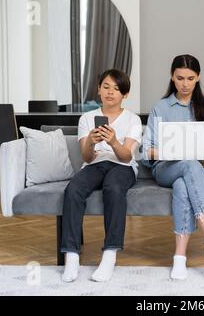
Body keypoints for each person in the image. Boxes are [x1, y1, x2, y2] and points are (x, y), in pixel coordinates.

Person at [142, 54, 204, 280]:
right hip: (166, 168)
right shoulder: (160, 107)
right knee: (187, 164)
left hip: (203, 170)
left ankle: (179, 258)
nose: (185, 83)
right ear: (172, 76)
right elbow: (146, 150)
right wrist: (174, 152)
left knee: (183, 186)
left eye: (190, 78)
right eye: (180, 78)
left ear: (198, 77)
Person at [61, 69, 142, 282]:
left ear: (125, 94)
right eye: (106, 86)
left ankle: (109, 255)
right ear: (99, 89)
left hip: (122, 166)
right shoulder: (87, 119)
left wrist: (114, 141)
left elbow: (126, 157)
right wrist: (91, 141)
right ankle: (71, 255)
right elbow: (87, 158)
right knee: (73, 189)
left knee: (114, 188)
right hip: (95, 164)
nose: (110, 92)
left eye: (116, 88)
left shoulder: (133, 120)